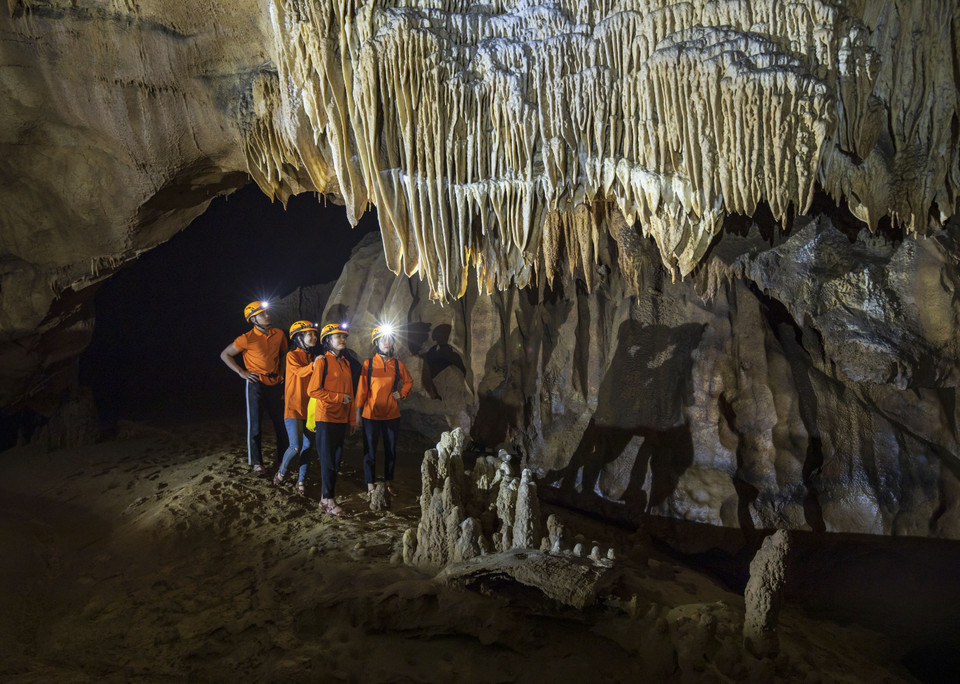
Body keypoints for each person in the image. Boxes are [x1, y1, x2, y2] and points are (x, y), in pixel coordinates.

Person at [220, 301, 289, 477]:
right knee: (255, 425)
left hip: (275, 383)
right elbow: (225, 354)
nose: (267, 315)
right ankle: (257, 463)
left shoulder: (279, 334)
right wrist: (241, 372)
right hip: (255, 383)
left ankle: (283, 459)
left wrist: (281, 374)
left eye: (267, 312)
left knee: (280, 423)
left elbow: (283, 354)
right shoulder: (246, 338)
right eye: (262, 314)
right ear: (253, 319)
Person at [355, 325, 413, 498]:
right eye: (383, 340)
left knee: (391, 451)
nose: (386, 343)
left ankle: (388, 482)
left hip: (391, 414)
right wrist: (357, 414)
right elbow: (361, 391)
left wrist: (401, 394)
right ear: (376, 343)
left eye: (389, 339)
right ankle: (370, 484)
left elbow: (409, 381)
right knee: (370, 451)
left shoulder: (397, 364)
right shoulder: (369, 364)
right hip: (370, 415)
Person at [308, 322, 357, 516]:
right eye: (338, 337)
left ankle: (324, 498)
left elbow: (350, 393)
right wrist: (338, 398)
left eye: (344, 336)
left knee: (336, 461)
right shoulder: (323, 361)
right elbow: (312, 390)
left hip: (341, 419)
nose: (343, 339)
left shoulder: (345, 363)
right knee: (328, 460)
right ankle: (330, 501)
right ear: (328, 340)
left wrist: (352, 420)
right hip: (326, 417)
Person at [274, 320, 319, 494]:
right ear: (299, 337)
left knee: (308, 447)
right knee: (296, 446)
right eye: (309, 334)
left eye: (315, 334)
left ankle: (301, 482)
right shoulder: (292, 356)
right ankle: (281, 473)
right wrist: (315, 365)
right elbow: (301, 372)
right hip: (293, 407)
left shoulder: (313, 358)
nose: (313, 337)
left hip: (309, 409)